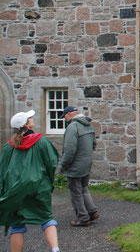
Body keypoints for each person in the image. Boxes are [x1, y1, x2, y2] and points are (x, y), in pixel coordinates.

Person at [0, 110, 60, 252]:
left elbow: (2, 170)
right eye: (30, 118)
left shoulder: (8, 146)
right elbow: (51, 162)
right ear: (27, 125)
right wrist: (48, 182)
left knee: (17, 224)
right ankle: (55, 249)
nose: (32, 118)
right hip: (38, 187)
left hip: (15, 189)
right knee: (46, 218)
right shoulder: (41, 141)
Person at [60, 106, 99, 227]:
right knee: (84, 189)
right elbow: (94, 144)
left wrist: (64, 165)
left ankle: (83, 218)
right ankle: (92, 212)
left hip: (75, 165)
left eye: (64, 116)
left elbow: (70, 150)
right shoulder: (88, 124)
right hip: (86, 163)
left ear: (69, 114)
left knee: (76, 192)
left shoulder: (73, 127)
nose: (65, 119)